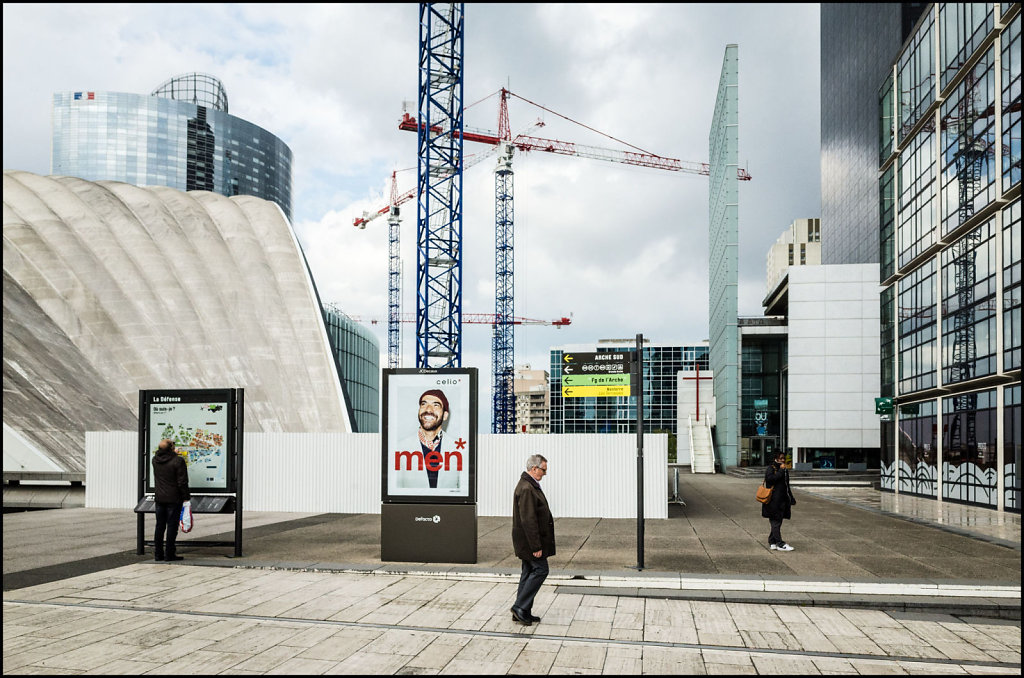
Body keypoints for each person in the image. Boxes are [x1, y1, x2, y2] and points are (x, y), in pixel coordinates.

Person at [511, 454, 555, 626]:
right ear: (534, 468)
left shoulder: (529, 485)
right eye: (543, 470)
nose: (544, 473)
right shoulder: (527, 488)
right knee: (540, 570)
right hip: (530, 542)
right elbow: (528, 520)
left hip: (526, 541)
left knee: (528, 572)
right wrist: (536, 546)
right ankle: (520, 607)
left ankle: (523, 611)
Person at [392, 389, 461, 490]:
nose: (428, 409)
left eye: (436, 405)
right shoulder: (399, 448)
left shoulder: (459, 449)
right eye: (424, 404)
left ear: (445, 415)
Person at [152, 438, 190, 561]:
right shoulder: (178, 461)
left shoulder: (155, 460)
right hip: (174, 498)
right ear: (172, 448)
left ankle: (158, 554)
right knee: (172, 527)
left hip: (159, 498)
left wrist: (173, 453)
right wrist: (186, 497)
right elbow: (182, 482)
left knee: (160, 526)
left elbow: (165, 460)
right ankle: (169, 553)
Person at [763, 451, 796, 551]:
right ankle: (780, 543)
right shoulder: (771, 468)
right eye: (781, 458)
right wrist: (781, 471)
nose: (783, 460)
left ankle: (772, 541)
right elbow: (770, 480)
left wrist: (791, 497)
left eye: (784, 458)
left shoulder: (784, 469)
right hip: (773, 501)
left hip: (783, 500)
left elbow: (786, 485)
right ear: (776, 458)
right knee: (776, 522)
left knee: (778, 522)